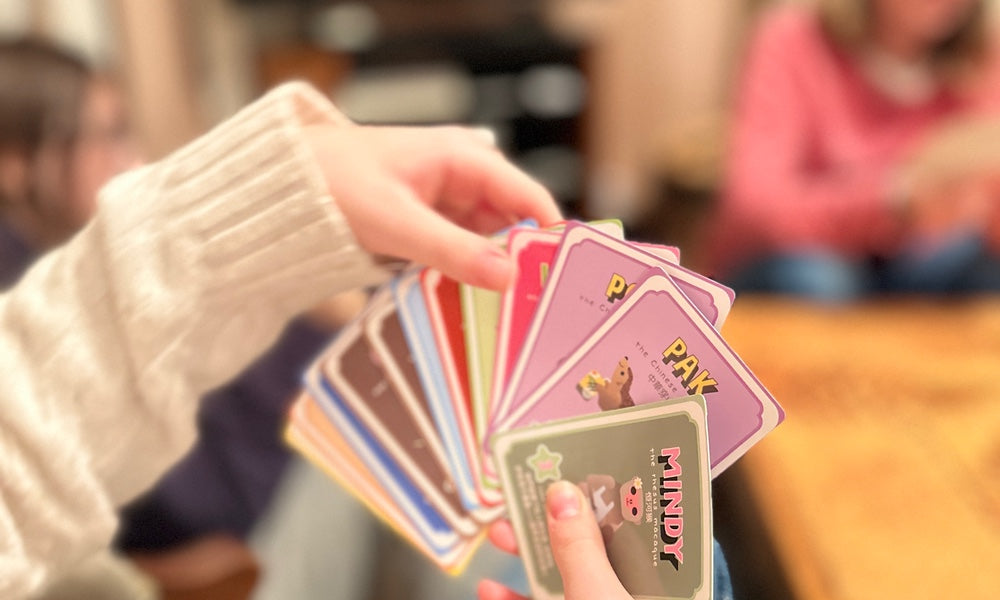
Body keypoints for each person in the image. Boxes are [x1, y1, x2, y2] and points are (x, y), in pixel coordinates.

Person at [0, 79, 560, 598]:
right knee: (433, 476)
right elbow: (177, 488)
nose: (133, 156)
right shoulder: (25, 272)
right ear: (15, 163)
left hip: (290, 474)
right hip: (258, 524)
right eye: (107, 134)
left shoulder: (74, 280)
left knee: (463, 474)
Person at [711, 0, 1000, 300]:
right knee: (816, 280)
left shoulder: (981, 57)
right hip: (801, 264)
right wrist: (893, 199)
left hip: (915, 265)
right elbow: (756, 209)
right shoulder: (793, 40)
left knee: (981, 268)